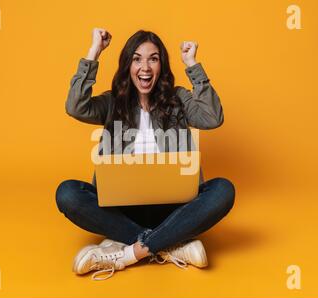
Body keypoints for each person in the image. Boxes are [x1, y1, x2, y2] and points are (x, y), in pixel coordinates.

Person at [56, 28, 235, 280]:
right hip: (123, 210)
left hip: (173, 210)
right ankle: (171, 244)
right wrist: (94, 52)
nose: (145, 67)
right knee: (67, 193)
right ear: (127, 65)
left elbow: (212, 117)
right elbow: (75, 106)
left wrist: (192, 64)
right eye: (137, 58)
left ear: (162, 65)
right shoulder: (112, 103)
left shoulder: (178, 100)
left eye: (153, 58)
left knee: (223, 190)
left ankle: (127, 252)